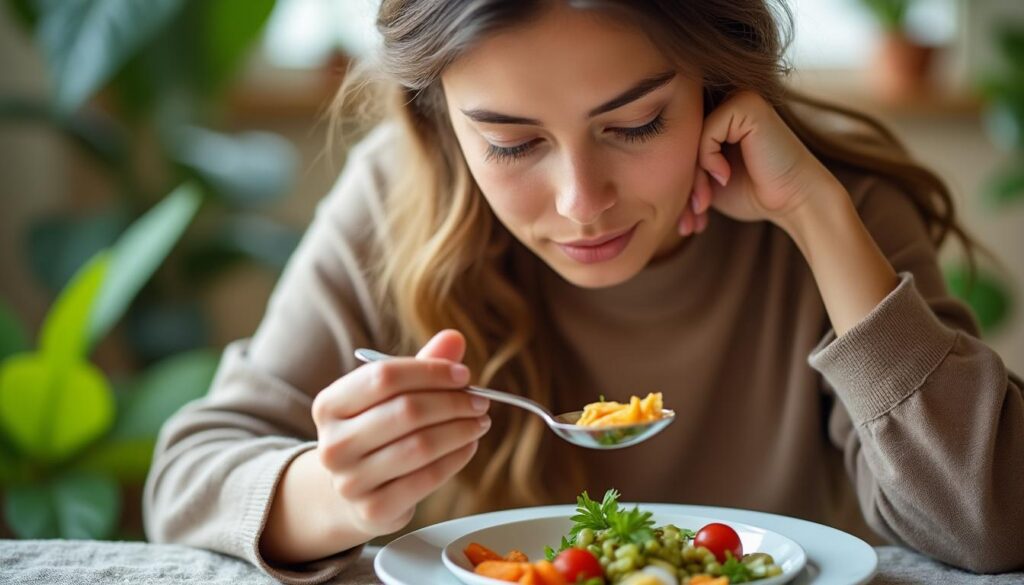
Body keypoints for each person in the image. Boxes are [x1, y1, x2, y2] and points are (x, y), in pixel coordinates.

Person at [143, 1, 1024, 583]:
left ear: (718, 85)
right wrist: (334, 493)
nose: (581, 203)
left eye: (635, 124)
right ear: (443, 121)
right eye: (512, 143)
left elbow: (991, 522)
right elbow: (186, 478)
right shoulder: (397, 199)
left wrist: (818, 221)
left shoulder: (836, 213)